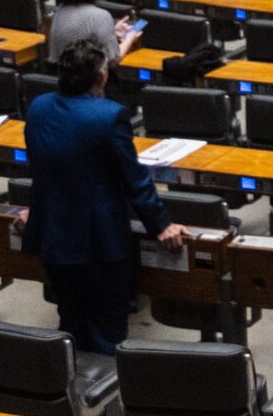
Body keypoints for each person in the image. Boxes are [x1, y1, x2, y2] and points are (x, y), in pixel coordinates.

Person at [22, 38, 190, 354]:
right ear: (101, 76)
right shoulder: (109, 115)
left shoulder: (39, 106)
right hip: (98, 241)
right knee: (107, 328)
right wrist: (161, 225)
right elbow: (134, 180)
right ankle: (105, 397)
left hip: (52, 233)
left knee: (70, 319)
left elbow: (44, 165)